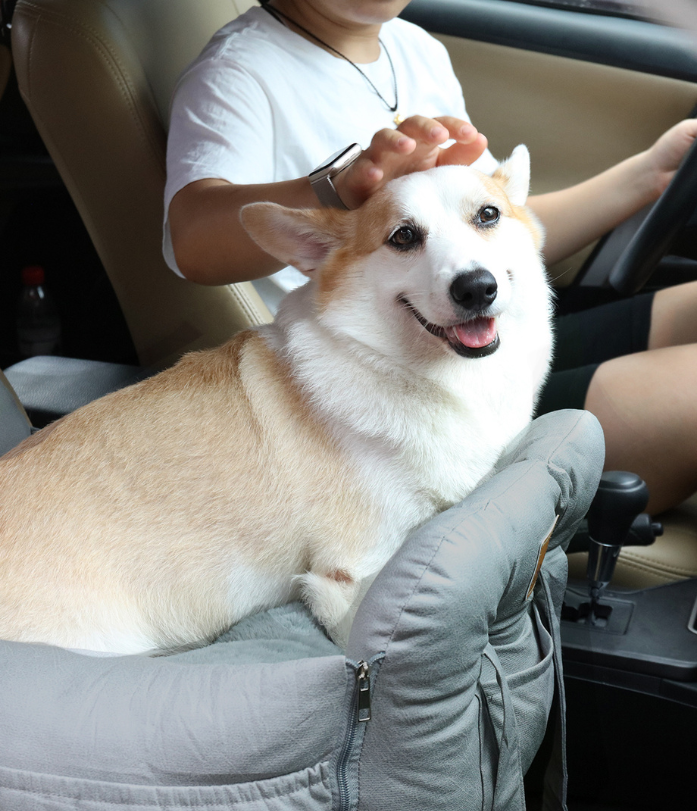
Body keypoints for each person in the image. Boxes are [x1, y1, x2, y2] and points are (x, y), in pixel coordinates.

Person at [163, 0, 697, 513]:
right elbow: (193, 240)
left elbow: (490, 237)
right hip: (391, 405)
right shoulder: (238, 73)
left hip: (474, 344)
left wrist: (650, 174)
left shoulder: (413, 47)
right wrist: (337, 191)